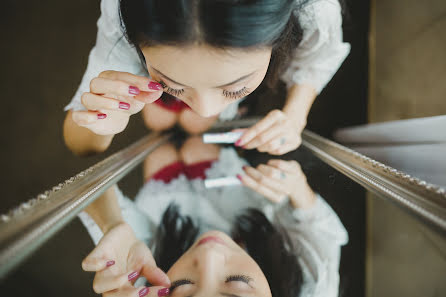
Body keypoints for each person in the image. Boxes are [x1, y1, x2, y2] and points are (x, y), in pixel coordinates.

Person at [63, 0, 350, 156]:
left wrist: (295, 115)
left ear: (281, 33)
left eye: (235, 88)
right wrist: (102, 121)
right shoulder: (121, 8)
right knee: (162, 119)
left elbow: (318, 59)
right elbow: (78, 143)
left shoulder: (315, 9)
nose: (207, 110)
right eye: (170, 83)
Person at [80, 137, 348, 297]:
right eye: (238, 285)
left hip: (173, 212)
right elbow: (318, 228)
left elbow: (89, 188)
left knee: (162, 152)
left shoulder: (144, 283)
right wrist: (296, 186)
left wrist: (112, 224)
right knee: (197, 145)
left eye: (181, 288)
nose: (209, 255)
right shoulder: (314, 290)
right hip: (238, 203)